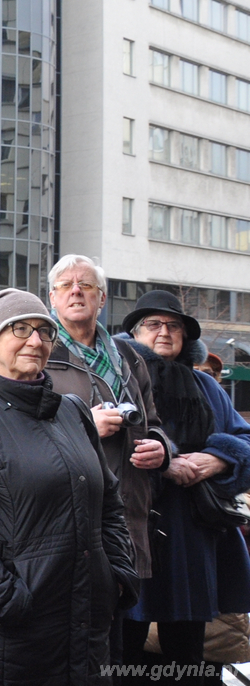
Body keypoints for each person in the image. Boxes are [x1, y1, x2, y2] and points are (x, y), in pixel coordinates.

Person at [0, 288, 139, 685]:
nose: (35, 340)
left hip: (83, 627)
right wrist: (11, 601)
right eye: (19, 329)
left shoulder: (72, 411)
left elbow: (108, 501)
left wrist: (117, 576)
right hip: (4, 641)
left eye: (45, 331)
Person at [117, 290, 250, 684]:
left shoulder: (205, 386)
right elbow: (104, 445)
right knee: (125, 649)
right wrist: (166, 461)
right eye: (154, 324)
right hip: (134, 528)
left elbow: (243, 439)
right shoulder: (119, 381)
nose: (164, 332)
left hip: (192, 536)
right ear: (135, 332)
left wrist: (219, 458)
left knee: (189, 653)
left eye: (173, 326)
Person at [43, 255, 169, 670]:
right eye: (66, 285)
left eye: (87, 285)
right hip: (65, 518)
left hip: (127, 512)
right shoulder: (39, 351)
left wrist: (161, 448)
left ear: (102, 299)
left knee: (112, 646)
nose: (76, 291)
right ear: (52, 297)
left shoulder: (129, 356)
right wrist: (83, 425)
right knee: (67, 644)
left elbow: (155, 423)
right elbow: (19, 434)